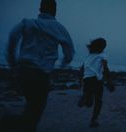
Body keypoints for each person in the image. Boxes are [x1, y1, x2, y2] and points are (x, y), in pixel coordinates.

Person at [6, 0, 75, 131]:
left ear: (40, 9)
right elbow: (69, 52)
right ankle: (8, 123)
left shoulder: (27, 23)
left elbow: (13, 37)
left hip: (23, 71)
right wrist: (62, 66)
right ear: (55, 10)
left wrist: (12, 63)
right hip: (40, 74)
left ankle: (11, 122)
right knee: (35, 111)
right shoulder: (59, 28)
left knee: (30, 105)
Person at [78, 38, 115, 128]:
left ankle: (86, 96)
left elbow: (82, 68)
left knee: (89, 103)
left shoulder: (89, 56)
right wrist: (109, 81)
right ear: (101, 47)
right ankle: (93, 120)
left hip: (87, 80)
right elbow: (105, 68)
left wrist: (80, 80)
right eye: (104, 46)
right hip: (97, 81)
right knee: (98, 101)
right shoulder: (103, 56)